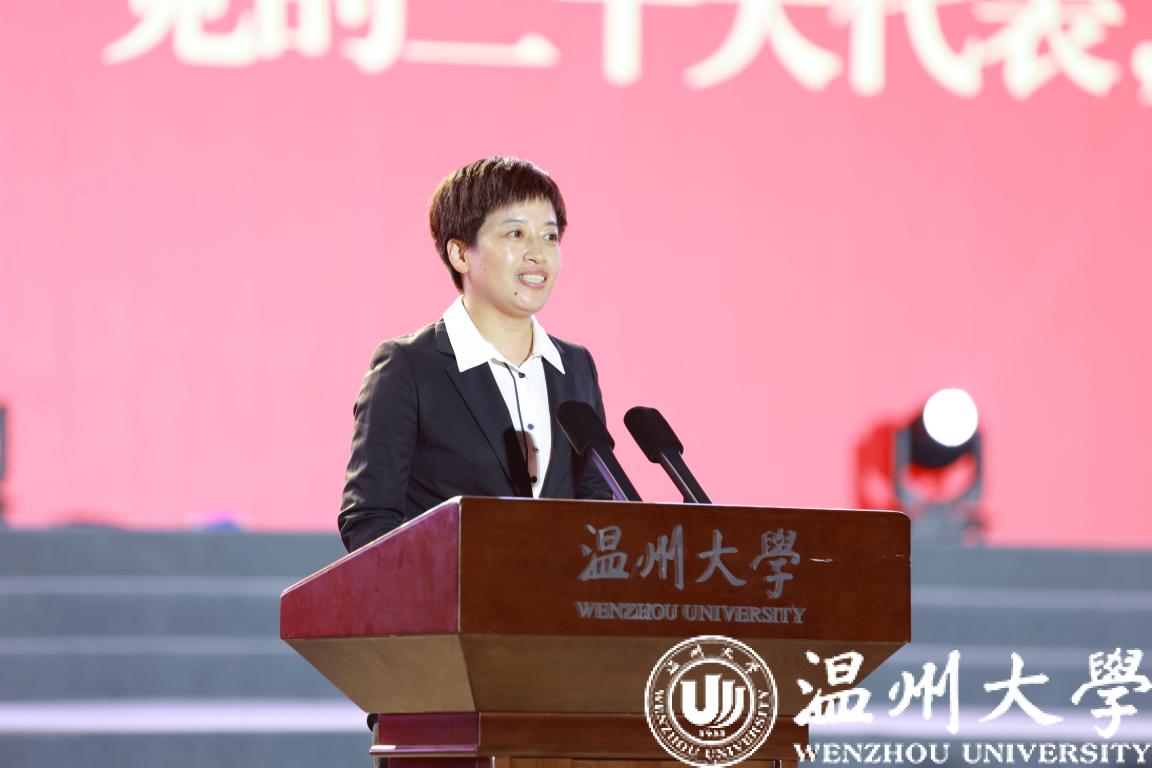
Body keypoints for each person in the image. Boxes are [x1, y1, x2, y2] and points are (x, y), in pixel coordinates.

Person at [338, 156, 614, 553]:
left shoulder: (575, 366)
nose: (538, 254)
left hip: (556, 593)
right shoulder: (408, 367)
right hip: (449, 594)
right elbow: (369, 521)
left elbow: (598, 506)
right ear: (460, 254)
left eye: (550, 236)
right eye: (516, 234)